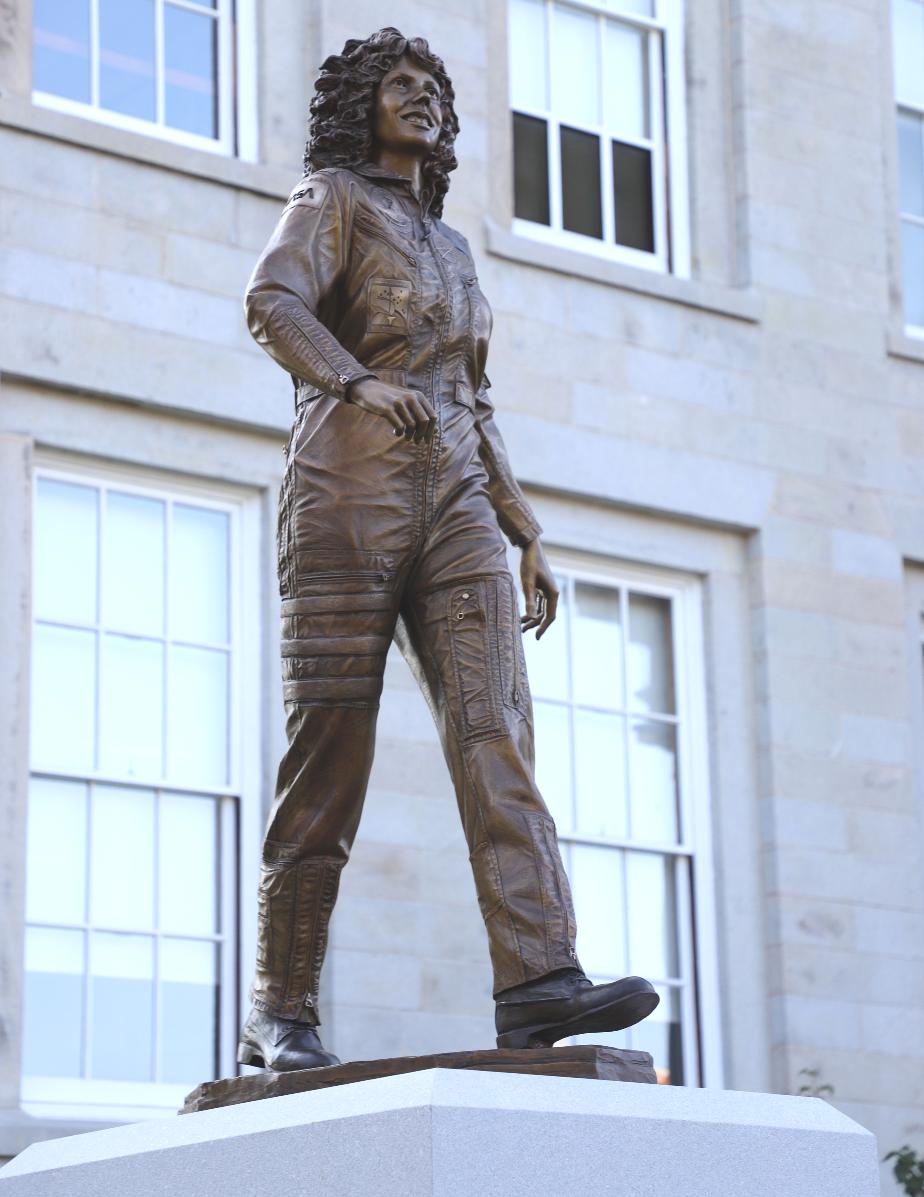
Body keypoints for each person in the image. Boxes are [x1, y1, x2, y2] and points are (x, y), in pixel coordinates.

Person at [237, 27, 658, 1072]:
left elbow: (475, 395)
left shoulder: (455, 250)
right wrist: (350, 380)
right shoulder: (327, 200)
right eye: (398, 84)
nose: (420, 98)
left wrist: (525, 529)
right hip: (349, 499)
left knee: (495, 729)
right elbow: (271, 301)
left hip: (460, 504)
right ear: (360, 105)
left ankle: (538, 976)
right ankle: (281, 1007)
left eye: (432, 87)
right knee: (328, 758)